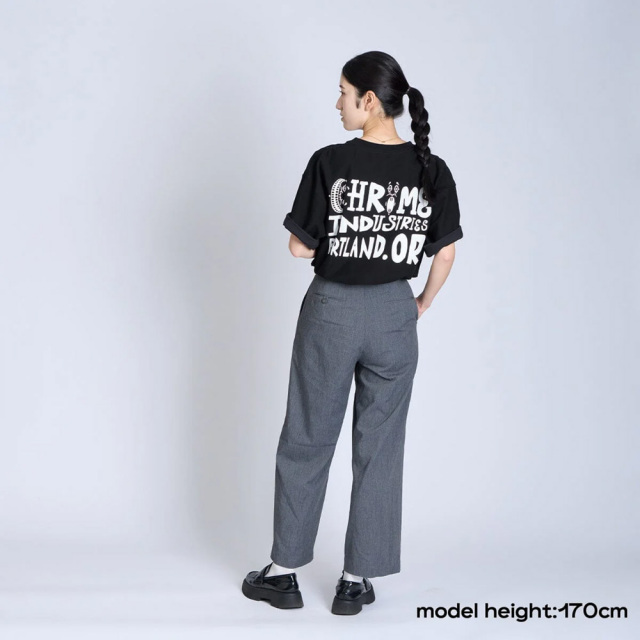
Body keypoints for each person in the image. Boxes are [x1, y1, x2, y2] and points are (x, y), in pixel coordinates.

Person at [242, 50, 463, 616]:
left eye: (343, 92)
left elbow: (298, 246)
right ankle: (354, 581)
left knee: (308, 437)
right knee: (380, 448)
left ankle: (283, 573)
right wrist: (419, 303)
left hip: (332, 311)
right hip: (394, 313)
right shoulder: (431, 169)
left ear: (368, 99)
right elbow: (445, 253)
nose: (337, 103)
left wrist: (338, 244)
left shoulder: (331, 161)